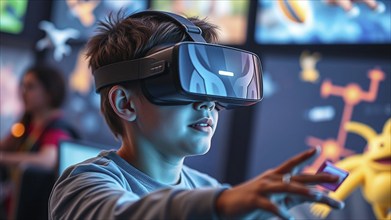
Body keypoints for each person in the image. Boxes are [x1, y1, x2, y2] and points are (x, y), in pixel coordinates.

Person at [49, 11, 344, 220]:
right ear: (125, 103)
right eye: (187, 82)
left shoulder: (208, 189)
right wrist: (223, 206)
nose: (208, 104)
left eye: (212, 86)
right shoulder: (84, 185)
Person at [0, 65, 79, 219]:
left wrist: (3, 158)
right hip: (13, 206)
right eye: (23, 85)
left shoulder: (58, 128)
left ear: (49, 92)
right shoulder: (26, 125)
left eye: (30, 86)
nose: (23, 92)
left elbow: (46, 160)